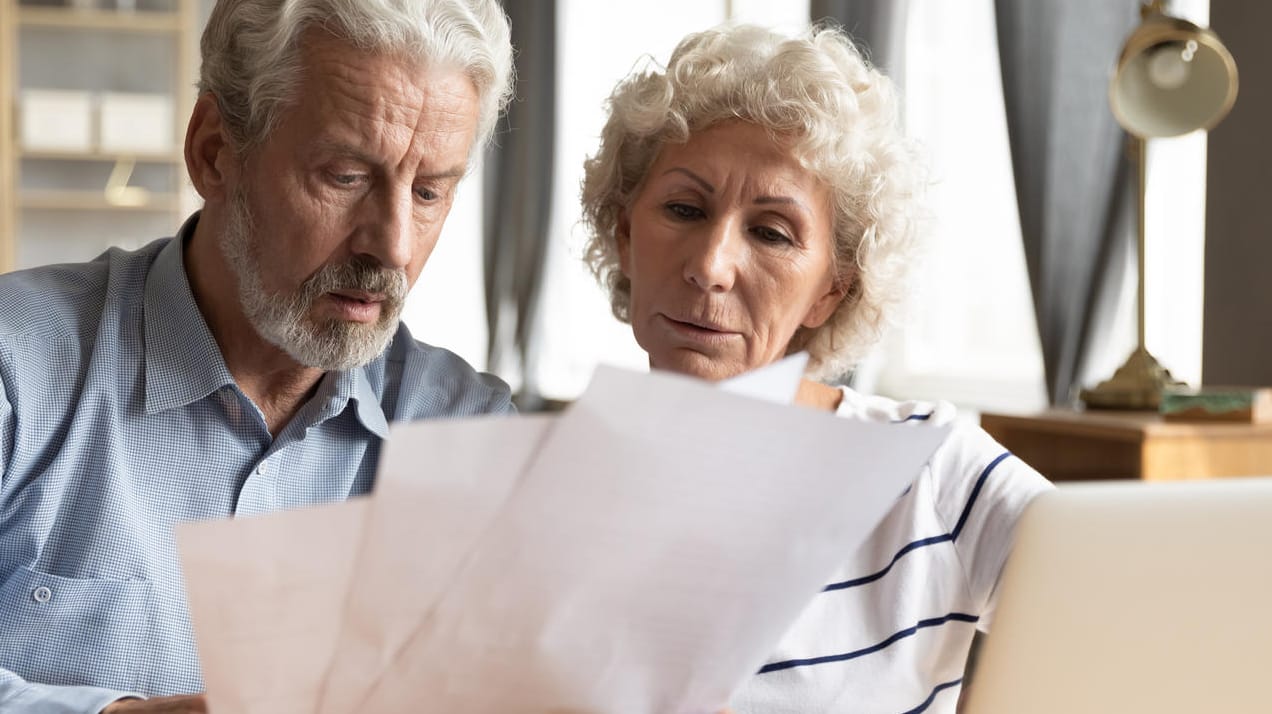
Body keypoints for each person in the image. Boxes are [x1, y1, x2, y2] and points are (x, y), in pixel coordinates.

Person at [0, 0, 513, 711]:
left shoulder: (470, 428)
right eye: (345, 177)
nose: (392, 246)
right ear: (214, 152)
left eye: (429, 192)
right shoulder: (16, 370)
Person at [580, 23, 1053, 714]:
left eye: (771, 232)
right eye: (683, 209)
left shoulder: (932, 471)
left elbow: (1135, 606)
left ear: (832, 288)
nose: (710, 265)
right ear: (626, 235)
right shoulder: (551, 490)